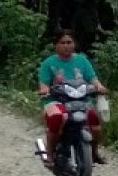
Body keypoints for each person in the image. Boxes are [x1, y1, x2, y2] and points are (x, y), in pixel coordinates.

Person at [37, 30, 109, 167]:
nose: (66, 46)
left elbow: (93, 79)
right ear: (56, 45)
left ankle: (94, 151)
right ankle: (50, 152)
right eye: (62, 42)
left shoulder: (82, 60)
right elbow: (43, 84)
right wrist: (44, 89)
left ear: (74, 44)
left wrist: (99, 87)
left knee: (94, 120)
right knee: (58, 117)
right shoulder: (48, 63)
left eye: (69, 42)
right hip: (55, 100)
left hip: (81, 100)